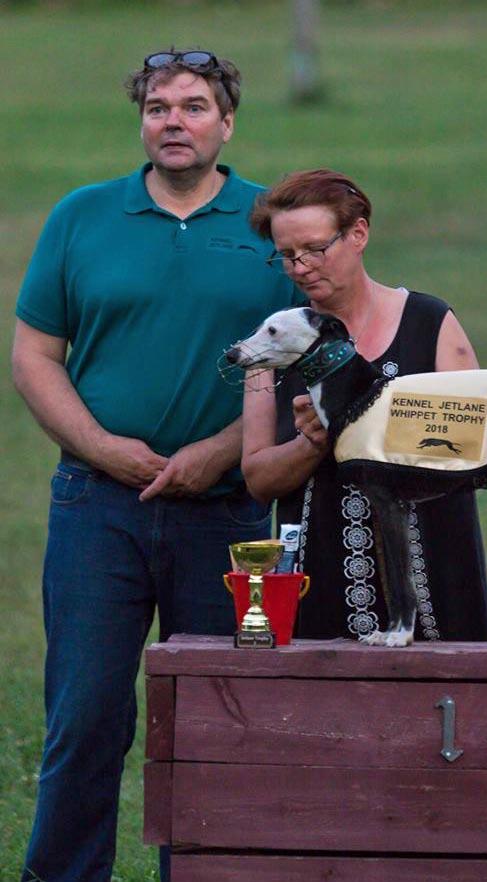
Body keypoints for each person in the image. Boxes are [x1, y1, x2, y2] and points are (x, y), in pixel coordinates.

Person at [12, 50, 302, 882]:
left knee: (218, 715)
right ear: (142, 122)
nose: (174, 121)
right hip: (96, 503)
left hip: (231, 514)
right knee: (85, 716)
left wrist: (220, 452)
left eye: (195, 106)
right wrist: (101, 447)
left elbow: (312, 357)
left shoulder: (269, 223)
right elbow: (35, 355)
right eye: (159, 108)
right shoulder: (83, 216)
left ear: (227, 122)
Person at [242, 169, 487, 643]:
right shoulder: (269, 343)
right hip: (320, 569)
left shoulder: (431, 322)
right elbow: (258, 479)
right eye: (287, 256)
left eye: (316, 249)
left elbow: (473, 447)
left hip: (434, 566)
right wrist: (312, 442)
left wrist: (362, 424)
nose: (300, 267)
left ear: (358, 233)